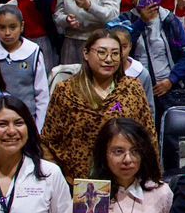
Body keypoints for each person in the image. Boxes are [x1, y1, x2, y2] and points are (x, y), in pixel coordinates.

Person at [40, 28, 156, 182]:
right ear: (86, 53)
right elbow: (48, 140)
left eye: (115, 53)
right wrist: (58, 180)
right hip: (77, 183)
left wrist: (152, 177)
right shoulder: (66, 90)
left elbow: (148, 134)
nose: (109, 59)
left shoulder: (132, 88)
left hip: (125, 180)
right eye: (102, 52)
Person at [0, 4, 51, 124]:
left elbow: (42, 95)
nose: (7, 33)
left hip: (25, 119)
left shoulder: (33, 52)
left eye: (12, 27)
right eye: (2, 27)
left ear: (22, 26)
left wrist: (39, 128)